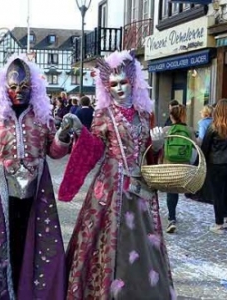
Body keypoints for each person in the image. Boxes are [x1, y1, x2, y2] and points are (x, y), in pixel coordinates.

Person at [58, 50, 176, 299]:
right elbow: (96, 149)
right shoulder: (103, 114)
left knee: (143, 241)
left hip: (141, 189)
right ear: (106, 87)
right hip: (110, 186)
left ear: (133, 81)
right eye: (113, 84)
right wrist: (82, 132)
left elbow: (148, 157)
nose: (120, 88)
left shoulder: (145, 115)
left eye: (123, 82)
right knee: (108, 238)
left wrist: (156, 147)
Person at [0, 55, 70, 299]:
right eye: (13, 87)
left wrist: (63, 136)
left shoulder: (43, 117)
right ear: (4, 88)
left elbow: (54, 152)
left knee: (36, 245)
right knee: (3, 246)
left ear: (33, 88)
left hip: (37, 191)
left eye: (24, 87)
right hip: (2, 192)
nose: (19, 92)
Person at [156, 104, 196, 234]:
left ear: (171, 116)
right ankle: (173, 217)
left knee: (171, 191)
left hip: (168, 164)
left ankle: (171, 218)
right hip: (183, 165)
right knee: (176, 190)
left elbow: (157, 146)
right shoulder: (189, 130)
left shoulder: (166, 130)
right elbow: (196, 147)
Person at [201, 99, 227, 234]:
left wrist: (202, 162)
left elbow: (205, 147)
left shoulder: (213, 127)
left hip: (215, 165)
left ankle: (219, 223)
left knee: (217, 194)